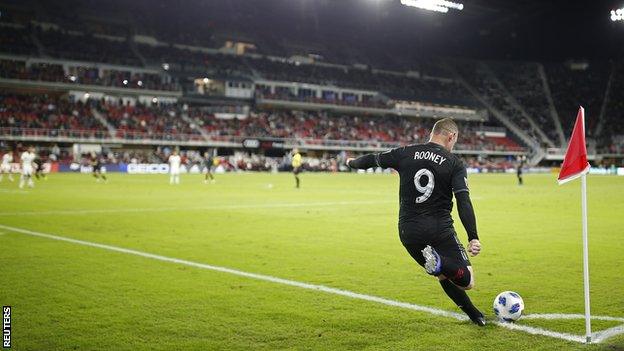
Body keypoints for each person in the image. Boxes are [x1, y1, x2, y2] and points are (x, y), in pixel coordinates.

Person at [346, 118, 485, 326]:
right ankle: (440, 262)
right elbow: (463, 200)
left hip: (408, 231)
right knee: (467, 280)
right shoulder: (454, 163)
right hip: (439, 228)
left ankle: (474, 315)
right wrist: (473, 236)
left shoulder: (405, 152)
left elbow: (372, 160)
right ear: (451, 136)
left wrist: (351, 163)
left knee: (442, 276)